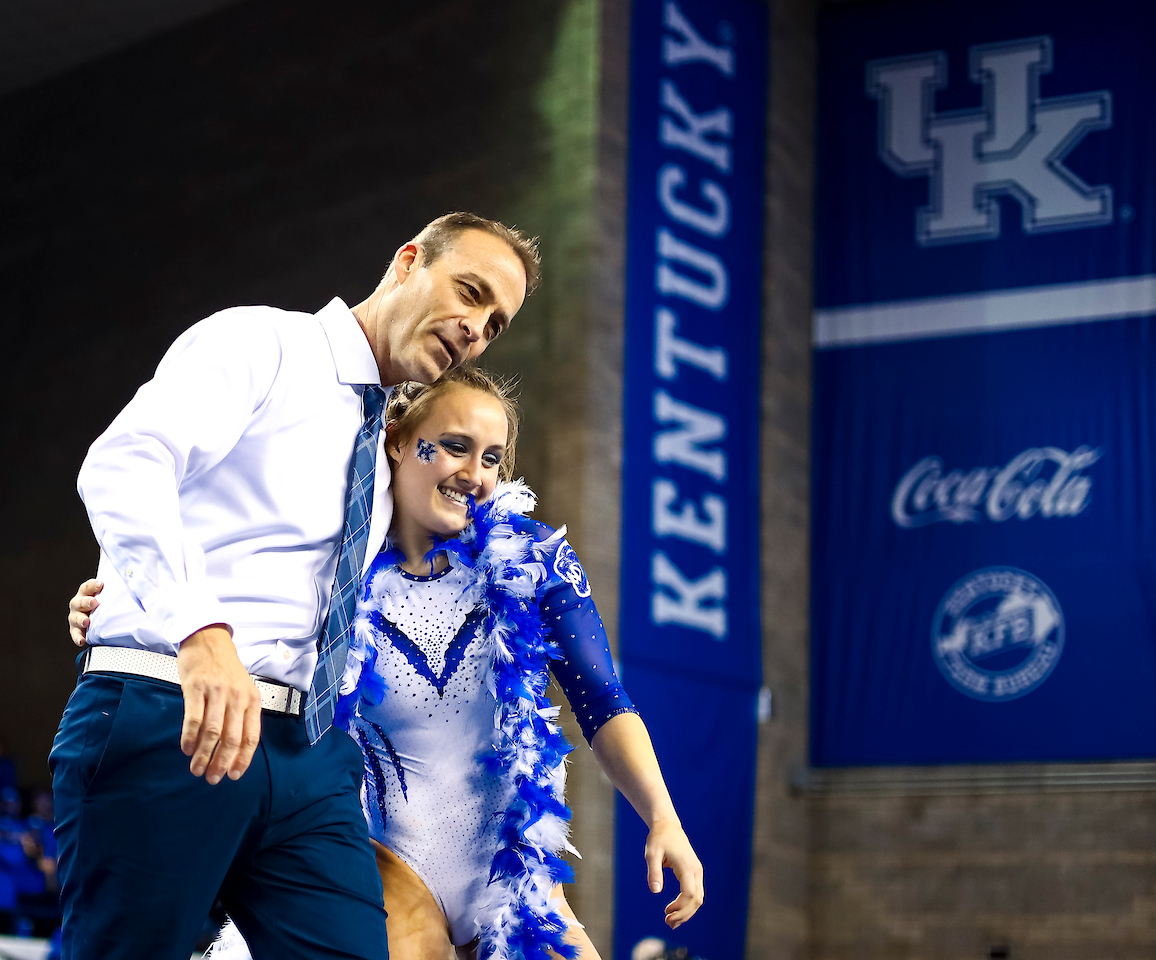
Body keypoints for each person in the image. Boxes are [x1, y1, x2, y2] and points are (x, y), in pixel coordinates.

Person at [74, 367, 705, 960]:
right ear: (398, 441)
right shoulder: (325, 569)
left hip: (514, 885)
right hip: (376, 874)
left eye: (492, 458)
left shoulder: (532, 565)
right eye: (454, 445)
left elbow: (603, 702)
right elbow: (214, 595)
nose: (474, 473)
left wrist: (663, 817)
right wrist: (116, 608)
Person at [57, 212, 538, 960]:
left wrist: (120, 586)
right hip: (172, 719)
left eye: (494, 322)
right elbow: (123, 465)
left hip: (308, 758)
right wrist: (192, 626)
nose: (475, 327)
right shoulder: (263, 343)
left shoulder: (385, 461)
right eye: (468, 292)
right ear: (408, 261)